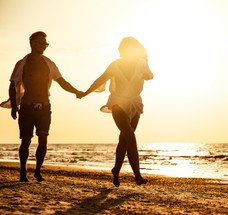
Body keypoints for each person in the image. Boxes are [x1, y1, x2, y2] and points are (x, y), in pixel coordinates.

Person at [1, 31, 84, 182]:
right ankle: (23, 172)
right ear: (32, 43)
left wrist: (76, 91)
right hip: (27, 107)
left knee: (43, 139)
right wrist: (13, 106)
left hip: (45, 108)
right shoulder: (22, 64)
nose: (44, 46)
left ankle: (38, 172)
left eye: (46, 43)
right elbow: (12, 86)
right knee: (25, 141)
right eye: (41, 42)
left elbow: (62, 82)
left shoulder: (49, 64)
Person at [82, 37, 153, 187]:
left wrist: (147, 76)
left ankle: (116, 170)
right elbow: (101, 79)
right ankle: (138, 176)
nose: (119, 49)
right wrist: (85, 93)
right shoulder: (114, 65)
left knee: (124, 140)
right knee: (130, 136)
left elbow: (150, 75)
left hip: (134, 103)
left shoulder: (141, 63)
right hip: (117, 102)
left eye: (121, 46)